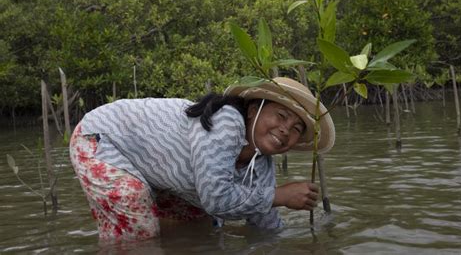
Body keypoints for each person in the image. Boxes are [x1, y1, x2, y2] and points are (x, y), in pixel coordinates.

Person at [69, 77, 335, 241]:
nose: (286, 129)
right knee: (139, 230)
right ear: (253, 111)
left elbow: (264, 224)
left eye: (297, 128)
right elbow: (217, 199)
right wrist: (281, 196)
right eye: (280, 116)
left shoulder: (261, 164)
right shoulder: (227, 120)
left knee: (200, 225)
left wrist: (308, 243)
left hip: (155, 167)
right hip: (103, 137)